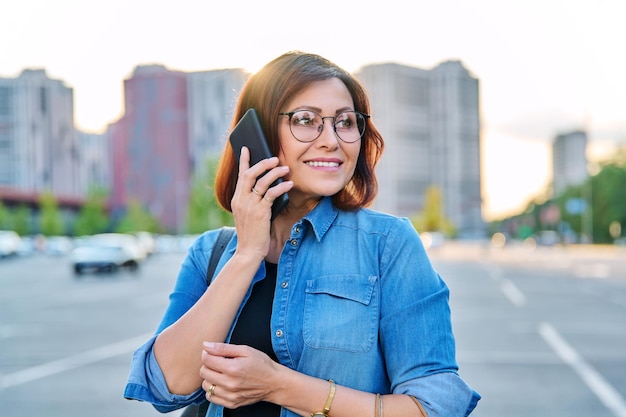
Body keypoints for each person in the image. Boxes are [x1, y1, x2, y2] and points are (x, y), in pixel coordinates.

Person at [124, 51, 480, 417]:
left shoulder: (388, 244)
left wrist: (279, 385)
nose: (331, 140)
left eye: (345, 122)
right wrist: (247, 254)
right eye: (306, 120)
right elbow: (163, 387)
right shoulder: (210, 253)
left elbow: (435, 406)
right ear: (259, 134)